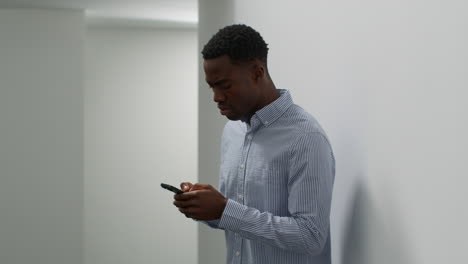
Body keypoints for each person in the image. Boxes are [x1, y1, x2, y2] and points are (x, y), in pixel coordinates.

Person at [172, 24, 335, 264]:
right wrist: (204, 206)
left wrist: (225, 210)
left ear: (257, 73)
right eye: (212, 86)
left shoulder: (305, 138)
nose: (216, 97)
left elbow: (310, 236)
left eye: (224, 85)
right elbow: (238, 220)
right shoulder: (233, 131)